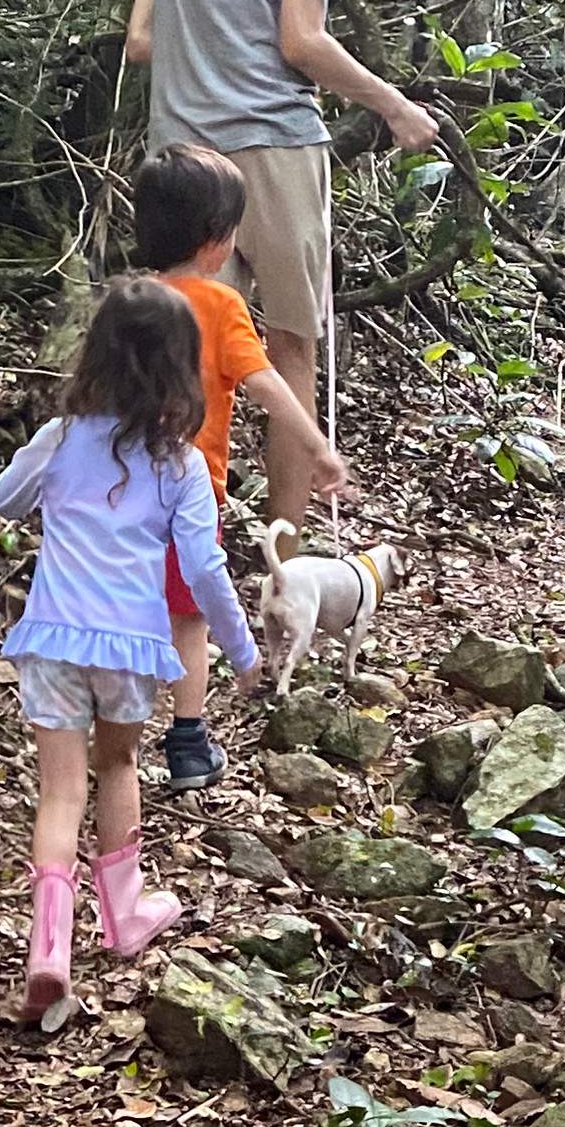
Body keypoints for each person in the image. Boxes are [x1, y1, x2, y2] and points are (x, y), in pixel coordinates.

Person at [122, 0, 439, 522]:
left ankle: (176, 539)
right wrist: (392, 104)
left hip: (181, 152)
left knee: (193, 352)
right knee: (290, 347)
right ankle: (287, 554)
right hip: (272, 142)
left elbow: (140, 39)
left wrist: (210, 48)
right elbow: (301, 39)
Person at [0, 277, 260, 1025]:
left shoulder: (59, 439)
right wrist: (241, 650)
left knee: (57, 792)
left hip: (53, 638)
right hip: (132, 648)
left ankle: (49, 952)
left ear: (96, 356)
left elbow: (2, 498)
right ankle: (124, 913)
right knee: (118, 765)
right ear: (180, 369)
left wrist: (43, 484)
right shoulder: (180, 467)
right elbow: (204, 569)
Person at [131, 140, 345, 792]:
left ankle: (110, 732)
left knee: (125, 609)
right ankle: (188, 740)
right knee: (189, 617)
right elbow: (268, 384)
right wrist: (316, 446)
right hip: (191, 496)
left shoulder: (130, 302)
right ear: (218, 241)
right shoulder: (221, 307)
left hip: (119, 493)